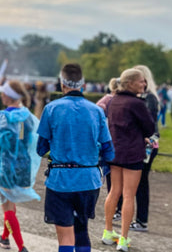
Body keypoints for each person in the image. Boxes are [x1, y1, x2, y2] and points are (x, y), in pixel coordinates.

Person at [37, 63, 115, 252]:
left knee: (65, 236)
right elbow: (109, 151)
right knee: (82, 230)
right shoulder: (96, 111)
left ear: (62, 84)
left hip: (60, 180)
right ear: (83, 84)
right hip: (89, 180)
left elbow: (40, 148)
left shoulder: (52, 109)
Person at [103, 68, 156, 251]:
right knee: (128, 195)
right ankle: (123, 239)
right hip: (132, 153)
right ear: (131, 83)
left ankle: (108, 231)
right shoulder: (137, 103)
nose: (144, 84)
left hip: (115, 152)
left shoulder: (114, 100)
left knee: (113, 192)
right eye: (141, 81)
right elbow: (149, 128)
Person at [0, 80, 41, 252]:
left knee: (7, 207)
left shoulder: (1, 117)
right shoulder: (28, 117)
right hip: (23, 165)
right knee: (11, 201)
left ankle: (21, 247)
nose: (1, 95)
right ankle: (4, 238)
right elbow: (32, 142)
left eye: (3, 92)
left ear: (9, 96)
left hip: (5, 165)